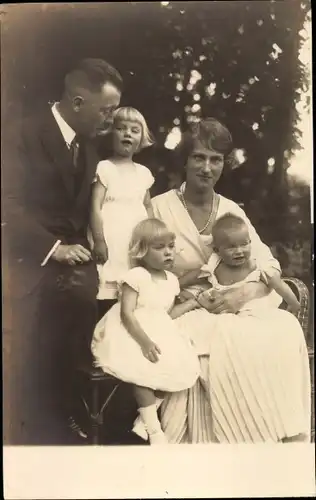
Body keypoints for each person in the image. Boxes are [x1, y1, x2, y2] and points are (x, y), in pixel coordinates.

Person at [147, 117, 311, 444]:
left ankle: (279, 437)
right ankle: (234, 438)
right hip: (186, 307)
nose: (207, 167)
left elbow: (265, 261)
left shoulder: (231, 210)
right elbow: (145, 266)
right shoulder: (158, 208)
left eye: (216, 159)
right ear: (184, 160)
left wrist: (246, 291)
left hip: (236, 301)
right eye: (199, 157)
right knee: (225, 339)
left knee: (283, 327)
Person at [3, 58, 123, 444]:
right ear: (76, 102)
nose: (111, 119)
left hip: (74, 271)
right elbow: (7, 205)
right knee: (24, 364)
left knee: (72, 346)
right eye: (105, 110)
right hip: (27, 261)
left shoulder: (88, 149)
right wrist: (53, 249)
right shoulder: (21, 134)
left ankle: (65, 422)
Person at [92, 218, 200, 444]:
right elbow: (126, 313)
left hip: (160, 328)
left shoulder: (171, 280)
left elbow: (166, 314)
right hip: (131, 330)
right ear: (141, 251)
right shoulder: (137, 276)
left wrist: (193, 303)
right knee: (141, 369)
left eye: (170, 247)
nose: (168, 253)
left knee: (178, 366)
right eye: (159, 248)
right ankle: (154, 430)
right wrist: (144, 342)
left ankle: (142, 422)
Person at [89, 107, 155, 319]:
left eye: (134, 130)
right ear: (111, 133)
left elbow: (148, 207)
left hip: (134, 240)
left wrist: (153, 236)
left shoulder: (143, 173)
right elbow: (95, 206)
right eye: (121, 128)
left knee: (133, 285)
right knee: (108, 284)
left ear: (141, 138)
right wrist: (99, 240)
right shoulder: (104, 168)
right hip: (111, 238)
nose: (127, 133)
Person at [179, 212, 301, 315]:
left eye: (244, 244)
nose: (239, 251)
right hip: (223, 315)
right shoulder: (215, 265)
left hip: (253, 314)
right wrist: (177, 284)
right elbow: (196, 275)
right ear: (217, 250)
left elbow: (279, 284)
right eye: (231, 247)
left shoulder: (258, 267)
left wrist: (293, 304)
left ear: (250, 242)